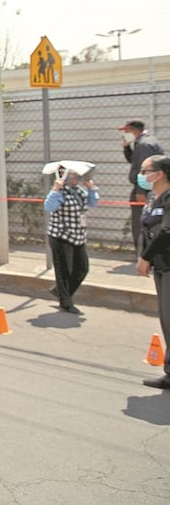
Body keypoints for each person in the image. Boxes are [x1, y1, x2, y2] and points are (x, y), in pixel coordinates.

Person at [44, 165, 99, 313]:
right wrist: (55, 189)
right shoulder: (59, 192)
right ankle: (66, 302)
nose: (75, 179)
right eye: (72, 176)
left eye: (76, 176)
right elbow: (49, 207)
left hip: (78, 235)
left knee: (82, 268)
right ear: (64, 177)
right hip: (61, 235)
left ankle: (60, 291)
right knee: (63, 270)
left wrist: (91, 189)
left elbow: (93, 203)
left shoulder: (79, 191)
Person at [137, 155, 170, 389]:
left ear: (159, 174)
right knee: (166, 319)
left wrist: (145, 256)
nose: (141, 175)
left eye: (144, 171)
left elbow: (166, 232)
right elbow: (146, 229)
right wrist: (144, 256)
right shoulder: (152, 198)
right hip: (160, 265)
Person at [120, 120, 164, 251]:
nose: (124, 134)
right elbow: (135, 161)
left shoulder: (144, 145)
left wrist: (141, 190)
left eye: (126, 131)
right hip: (150, 187)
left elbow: (145, 169)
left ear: (134, 130)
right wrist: (126, 147)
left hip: (145, 189)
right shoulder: (145, 142)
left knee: (140, 223)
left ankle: (142, 254)